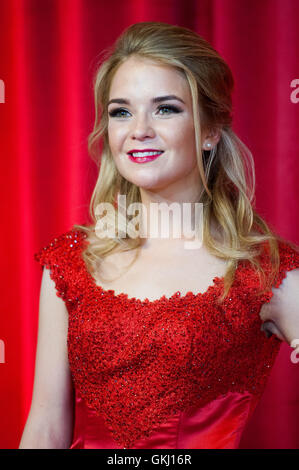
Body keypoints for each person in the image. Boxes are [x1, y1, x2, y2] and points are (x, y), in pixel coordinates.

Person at [19, 21, 299, 449]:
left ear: (210, 130)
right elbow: (45, 429)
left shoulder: (265, 272)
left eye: (166, 108)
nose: (139, 130)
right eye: (121, 111)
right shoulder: (72, 261)